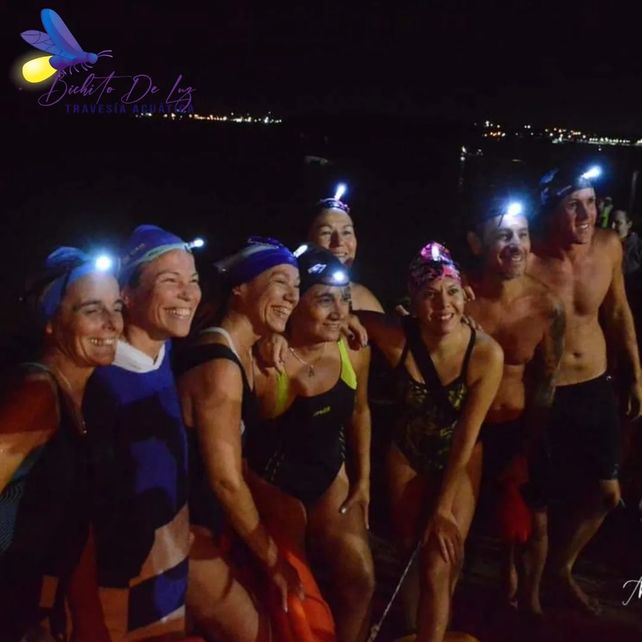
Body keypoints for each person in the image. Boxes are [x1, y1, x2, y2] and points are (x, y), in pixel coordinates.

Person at [356, 242, 503, 642]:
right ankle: (415, 630)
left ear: (465, 292)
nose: (443, 305)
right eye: (430, 294)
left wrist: (442, 507)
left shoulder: (485, 354)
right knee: (410, 551)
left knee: (440, 559)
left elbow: (467, 434)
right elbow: (346, 314)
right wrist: (350, 325)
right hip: (406, 452)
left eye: (452, 291)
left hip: (460, 457)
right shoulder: (397, 337)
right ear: (413, 298)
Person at [175, 237, 316, 642]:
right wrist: (273, 560)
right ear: (240, 287)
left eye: (296, 286)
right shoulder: (220, 367)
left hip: (203, 525)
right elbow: (225, 480)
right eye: (279, 282)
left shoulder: (237, 351)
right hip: (183, 530)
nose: (292, 296)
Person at [528, 163, 642, 614]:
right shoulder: (530, 259)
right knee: (537, 500)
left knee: (606, 493)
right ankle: (526, 596)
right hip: (545, 394)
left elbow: (617, 311)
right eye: (573, 204)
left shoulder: (609, 246)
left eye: (591, 203)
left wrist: (634, 372)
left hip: (595, 385)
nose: (585, 214)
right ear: (551, 210)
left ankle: (561, 568)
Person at [247, 245, 375, 642]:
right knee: (297, 598)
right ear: (294, 304)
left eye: (344, 300)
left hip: (330, 475)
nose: (339, 312)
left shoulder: (353, 350)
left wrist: (363, 479)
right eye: (324, 300)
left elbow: (360, 411)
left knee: (360, 579)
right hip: (274, 485)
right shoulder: (265, 364)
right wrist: (268, 337)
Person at [82, 225, 202, 640]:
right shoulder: (97, 379)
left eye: (193, 280)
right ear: (127, 296)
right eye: (171, 281)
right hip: (118, 583)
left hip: (169, 563)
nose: (188, 294)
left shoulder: (165, 350)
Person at [0, 247, 123, 642]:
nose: (112, 323)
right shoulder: (36, 395)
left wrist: (89, 618)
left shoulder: (82, 401)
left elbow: (73, 518)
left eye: (116, 307)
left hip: (29, 614)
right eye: (92, 309)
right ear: (51, 323)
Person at [465, 194, 564, 615]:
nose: (516, 245)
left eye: (522, 235)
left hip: (520, 423)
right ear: (476, 243)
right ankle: (463, 597)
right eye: (504, 235)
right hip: (471, 427)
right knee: (468, 517)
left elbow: (546, 380)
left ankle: (532, 599)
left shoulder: (546, 305)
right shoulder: (460, 298)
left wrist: (528, 446)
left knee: (535, 518)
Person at [307, 195, 384, 312]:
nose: (339, 242)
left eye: (346, 232)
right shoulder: (292, 296)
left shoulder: (363, 299)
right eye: (326, 233)